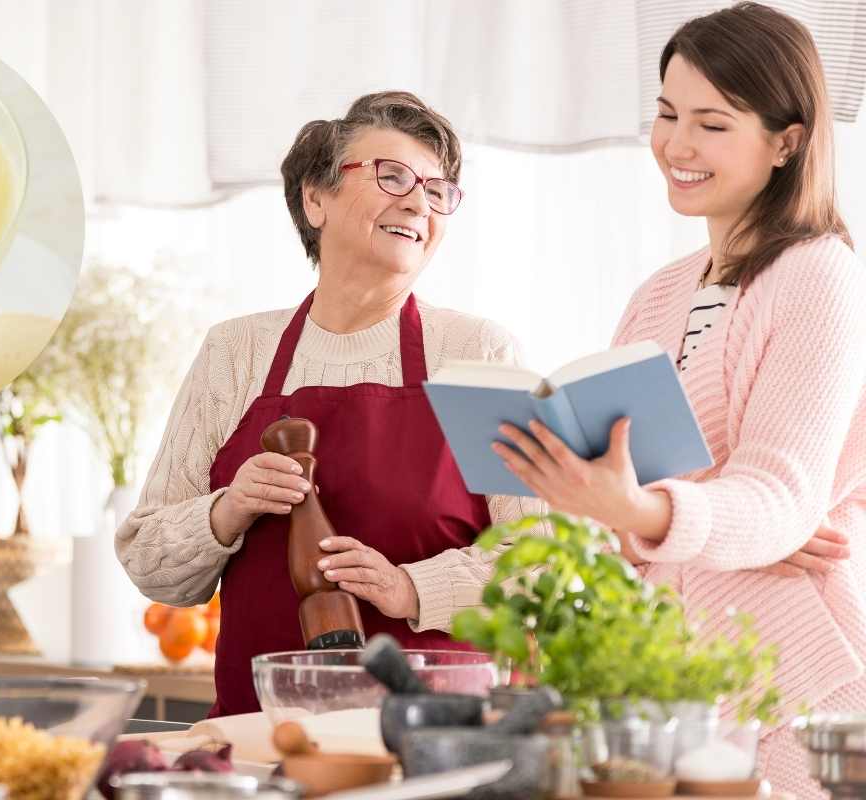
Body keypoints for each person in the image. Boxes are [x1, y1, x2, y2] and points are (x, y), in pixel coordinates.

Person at [493, 4, 865, 795]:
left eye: (712, 123)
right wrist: (601, 505)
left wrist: (650, 514)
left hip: (792, 682)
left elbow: (781, 496)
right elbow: (638, 503)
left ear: (786, 142)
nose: (677, 145)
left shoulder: (819, 274)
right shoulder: (658, 295)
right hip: (674, 684)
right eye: (665, 114)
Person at [116, 91, 546, 717]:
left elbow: (546, 560)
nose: (417, 202)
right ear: (315, 198)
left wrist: (410, 587)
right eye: (392, 175)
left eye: (436, 190)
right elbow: (151, 560)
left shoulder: (479, 352)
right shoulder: (237, 350)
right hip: (264, 737)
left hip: (433, 746)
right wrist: (229, 510)